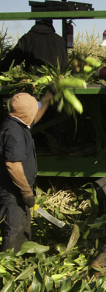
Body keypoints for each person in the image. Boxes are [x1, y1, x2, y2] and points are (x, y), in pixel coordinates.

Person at [0, 92, 54, 252]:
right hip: (13, 193)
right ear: (27, 112)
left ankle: (20, 262)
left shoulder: (17, 122)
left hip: (18, 192)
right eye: (33, 108)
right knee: (14, 231)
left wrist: (47, 98)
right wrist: (26, 192)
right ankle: (7, 267)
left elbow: (34, 116)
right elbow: (13, 164)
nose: (35, 111)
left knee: (22, 232)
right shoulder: (14, 133)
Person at [0, 20, 67, 73]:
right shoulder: (59, 40)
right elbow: (64, 66)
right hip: (55, 86)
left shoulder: (27, 38)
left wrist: (2, 68)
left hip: (32, 86)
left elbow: (12, 59)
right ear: (50, 22)